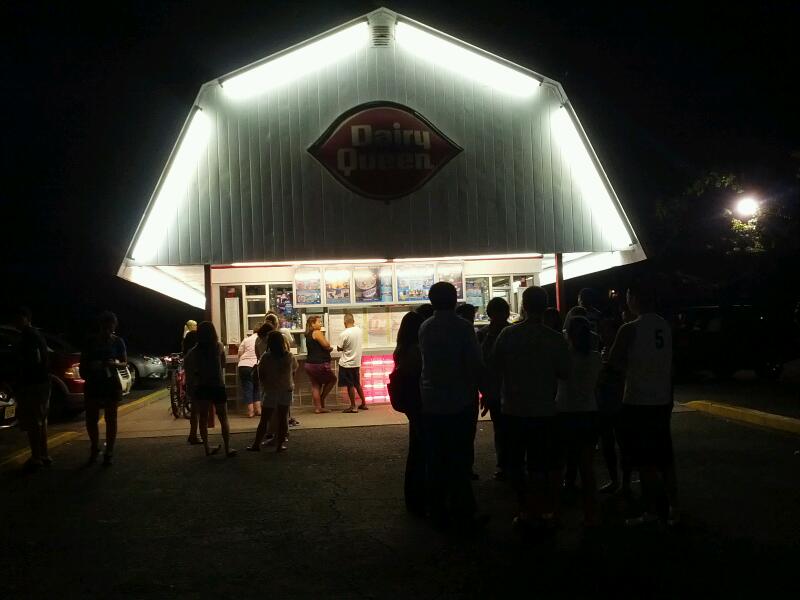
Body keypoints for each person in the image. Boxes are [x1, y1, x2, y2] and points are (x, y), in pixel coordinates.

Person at [493, 286, 570, 532]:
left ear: (523, 306)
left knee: (516, 463)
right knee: (541, 464)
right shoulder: (555, 338)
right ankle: (545, 510)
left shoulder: (507, 335)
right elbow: (565, 372)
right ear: (546, 306)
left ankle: (526, 510)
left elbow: (495, 366)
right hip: (545, 409)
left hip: (513, 409)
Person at [608, 279, 679, 526]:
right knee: (666, 459)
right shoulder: (664, 326)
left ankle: (651, 511)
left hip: (638, 401)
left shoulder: (630, 328)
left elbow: (613, 362)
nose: (626, 299)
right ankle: (675, 510)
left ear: (635, 298)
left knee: (645, 462)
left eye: (628, 294)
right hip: (662, 400)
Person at [419, 282, 485, 531]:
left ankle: (436, 509)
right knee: (460, 457)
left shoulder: (425, 327)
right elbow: (474, 363)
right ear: (455, 299)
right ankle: (464, 512)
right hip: (460, 400)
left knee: (436, 457)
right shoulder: (463, 327)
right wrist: (486, 390)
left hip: (432, 400)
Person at [556, 316, 602, 527]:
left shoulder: (564, 357)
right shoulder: (595, 358)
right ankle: (591, 514)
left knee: (560, 463)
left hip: (565, 412)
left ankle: (556, 513)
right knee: (587, 467)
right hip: (588, 412)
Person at [80, 311, 127, 466]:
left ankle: (109, 450)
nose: (108, 330)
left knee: (110, 418)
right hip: (94, 383)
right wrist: (92, 366)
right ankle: (95, 447)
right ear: (100, 326)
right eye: (105, 327)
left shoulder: (118, 342)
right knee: (92, 418)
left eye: (111, 327)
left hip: (110, 383)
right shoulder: (90, 342)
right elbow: (83, 364)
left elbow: (124, 362)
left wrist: (113, 364)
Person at [184, 321, 237, 457]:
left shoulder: (193, 352)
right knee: (223, 418)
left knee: (203, 417)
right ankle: (227, 447)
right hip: (218, 385)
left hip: (202, 386)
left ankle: (207, 448)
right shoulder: (218, 347)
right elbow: (223, 364)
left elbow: (190, 371)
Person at [392, 311, 427, 516]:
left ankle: (414, 497)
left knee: (416, 448)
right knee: (423, 449)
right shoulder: (417, 350)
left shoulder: (402, 348)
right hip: (420, 401)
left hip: (410, 403)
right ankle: (420, 498)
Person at [10, 307, 51, 472]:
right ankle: (44, 454)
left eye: (19, 319)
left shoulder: (28, 336)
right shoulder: (36, 335)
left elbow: (33, 361)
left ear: (27, 319)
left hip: (33, 384)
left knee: (34, 420)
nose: (16, 322)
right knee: (41, 419)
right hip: (42, 382)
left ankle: (36, 457)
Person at [476, 297, 511, 481]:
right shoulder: (513, 332)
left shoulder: (483, 334)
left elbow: (481, 364)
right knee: (507, 427)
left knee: (502, 428)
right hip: (508, 388)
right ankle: (509, 464)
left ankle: (505, 464)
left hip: (496, 389)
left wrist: (484, 391)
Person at [596, 315, 631, 494]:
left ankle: (624, 482)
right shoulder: (603, 350)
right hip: (605, 403)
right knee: (608, 445)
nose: (603, 334)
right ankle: (615, 480)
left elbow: (622, 373)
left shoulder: (622, 352)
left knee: (623, 444)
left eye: (606, 331)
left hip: (619, 402)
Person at [248, 331, 298, 453]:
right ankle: (279, 445)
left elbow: (261, 374)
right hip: (286, 390)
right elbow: (294, 369)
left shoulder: (266, 357)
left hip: (270, 390)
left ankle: (256, 444)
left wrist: (263, 384)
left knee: (264, 419)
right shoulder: (289, 356)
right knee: (282, 419)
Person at [304, 315, 336, 414]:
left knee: (316, 385)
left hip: (309, 364)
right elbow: (326, 345)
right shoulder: (317, 332)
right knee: (332, 379)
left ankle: (318, 408)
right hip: (319, 364)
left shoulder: (308, 334)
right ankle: (322, 399)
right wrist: (329, 348)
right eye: (319, 322)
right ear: (312, 324)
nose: (321, 324)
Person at [337, 313, 367, 412]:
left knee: (350, 385)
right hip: (356, 362)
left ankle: (353, 406)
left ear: (344, 322)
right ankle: (363, 403)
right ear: (353, 321)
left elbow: (339, 348)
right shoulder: (359, 330)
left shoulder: (344, 334)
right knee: (357, 383)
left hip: (347, 363)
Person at [238, 329, 260, 417]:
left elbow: (240, 352)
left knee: (248, 388)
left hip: (244, 366)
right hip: (256, 365)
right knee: (257, 387)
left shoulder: (246, 339)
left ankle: (251, 412)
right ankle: (258, 410)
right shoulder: (261, 340)